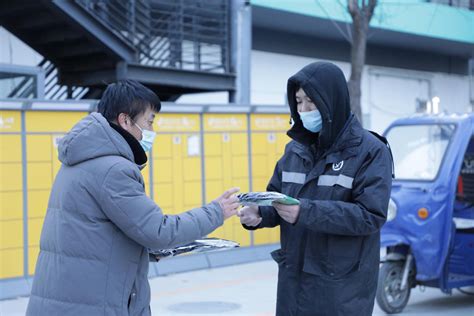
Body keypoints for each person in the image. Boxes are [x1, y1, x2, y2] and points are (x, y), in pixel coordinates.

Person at [26, 80, 240, 316]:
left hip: (69, 298)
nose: (151, 131)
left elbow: (94, 235)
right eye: (149, 121)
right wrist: (216, 211)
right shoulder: (113, 170)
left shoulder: (80, 160)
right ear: (125, 120)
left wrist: (143, 252)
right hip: (93, 304)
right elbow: (159, 231)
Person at [238, 62, 393, 316]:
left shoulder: (371, 151)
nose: (304, 110)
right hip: (293, 287)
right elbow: (278, 199)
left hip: (339, 292)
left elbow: (370, 216)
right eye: (298, 102)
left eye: (311, 101)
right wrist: (260, 213)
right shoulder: (295, 150)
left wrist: (304, 212)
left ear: (332, 100)